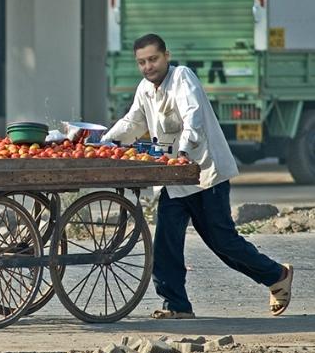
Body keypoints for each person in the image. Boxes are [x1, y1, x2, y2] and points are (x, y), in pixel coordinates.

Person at [101, 33, 293, 319]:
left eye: (153, 59)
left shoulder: (182, 78)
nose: (148, 67)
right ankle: (176, 306)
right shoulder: (145, 89)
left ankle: (277, 274)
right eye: (142, 62)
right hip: (175, 180)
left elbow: (194, 117)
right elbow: (133, 121)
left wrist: (185, 151)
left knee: (223, 243)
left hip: (204, 173)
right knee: (165, 245)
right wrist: (105, 142)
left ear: (166, 55)